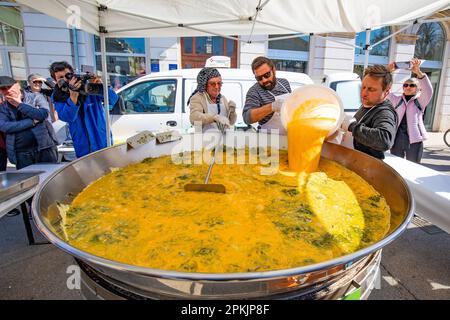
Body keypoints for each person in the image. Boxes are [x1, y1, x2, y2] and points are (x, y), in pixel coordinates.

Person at [49, 61, 118, 158]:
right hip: (82, 144)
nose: (65, 80)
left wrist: (101, 87)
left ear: (73, 75)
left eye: (67, 75)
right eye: (60, 78)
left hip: (101, 138)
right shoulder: (58, 96)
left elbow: (113, 100)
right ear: (55, 80)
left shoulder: (87, 87)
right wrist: (73, 98)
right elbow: (67, 117)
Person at [0, 76, 59, 170]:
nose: (8, 90)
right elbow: (4, 127)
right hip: (21, 152)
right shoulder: (3, 107)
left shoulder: (36, 97)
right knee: (28, 182)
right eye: (3, 88)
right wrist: (32, 122)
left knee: (50, 178)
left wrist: (19, 105)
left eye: (10, 86)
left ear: (17, 85)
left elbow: (43, 114)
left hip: (44, 147)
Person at [340, 65, 398, 160]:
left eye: (371, 89)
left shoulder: (384, 112)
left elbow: (385, 140)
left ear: (386, 91)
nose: (364, 93)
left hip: (367, 168)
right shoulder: (368, 104)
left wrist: (352, 126)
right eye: (363, 87)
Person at [386, 58, 433, 163]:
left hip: (415, 140)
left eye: (412, 85)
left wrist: (418, 73)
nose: (408, 87)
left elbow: (429, 91)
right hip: (397, 139)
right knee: (397, 166)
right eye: (405, 85)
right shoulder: (396, 100)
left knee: (413, 167)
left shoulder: (420, 101)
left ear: (418, 88)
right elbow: (384, 91)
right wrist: (388, 73)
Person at [242, 56, 291, 134]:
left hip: (286, 136)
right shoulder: (254, 91)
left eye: (267, 75)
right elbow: (247, 118)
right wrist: (272, 107)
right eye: (259, 78)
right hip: (267, 139)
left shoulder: (284, 83)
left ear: (274, 71)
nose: (264, 80)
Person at [189, 67, 237, 131]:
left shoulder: (223, 98)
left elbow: (231, 122)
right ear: (205, 85)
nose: (217, 87)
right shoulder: (198, 98)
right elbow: (194, 118)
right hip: (205, 139)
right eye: (212, 84)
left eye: (219, 83)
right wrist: (214, 118)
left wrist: (232, 112)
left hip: (224, 139)